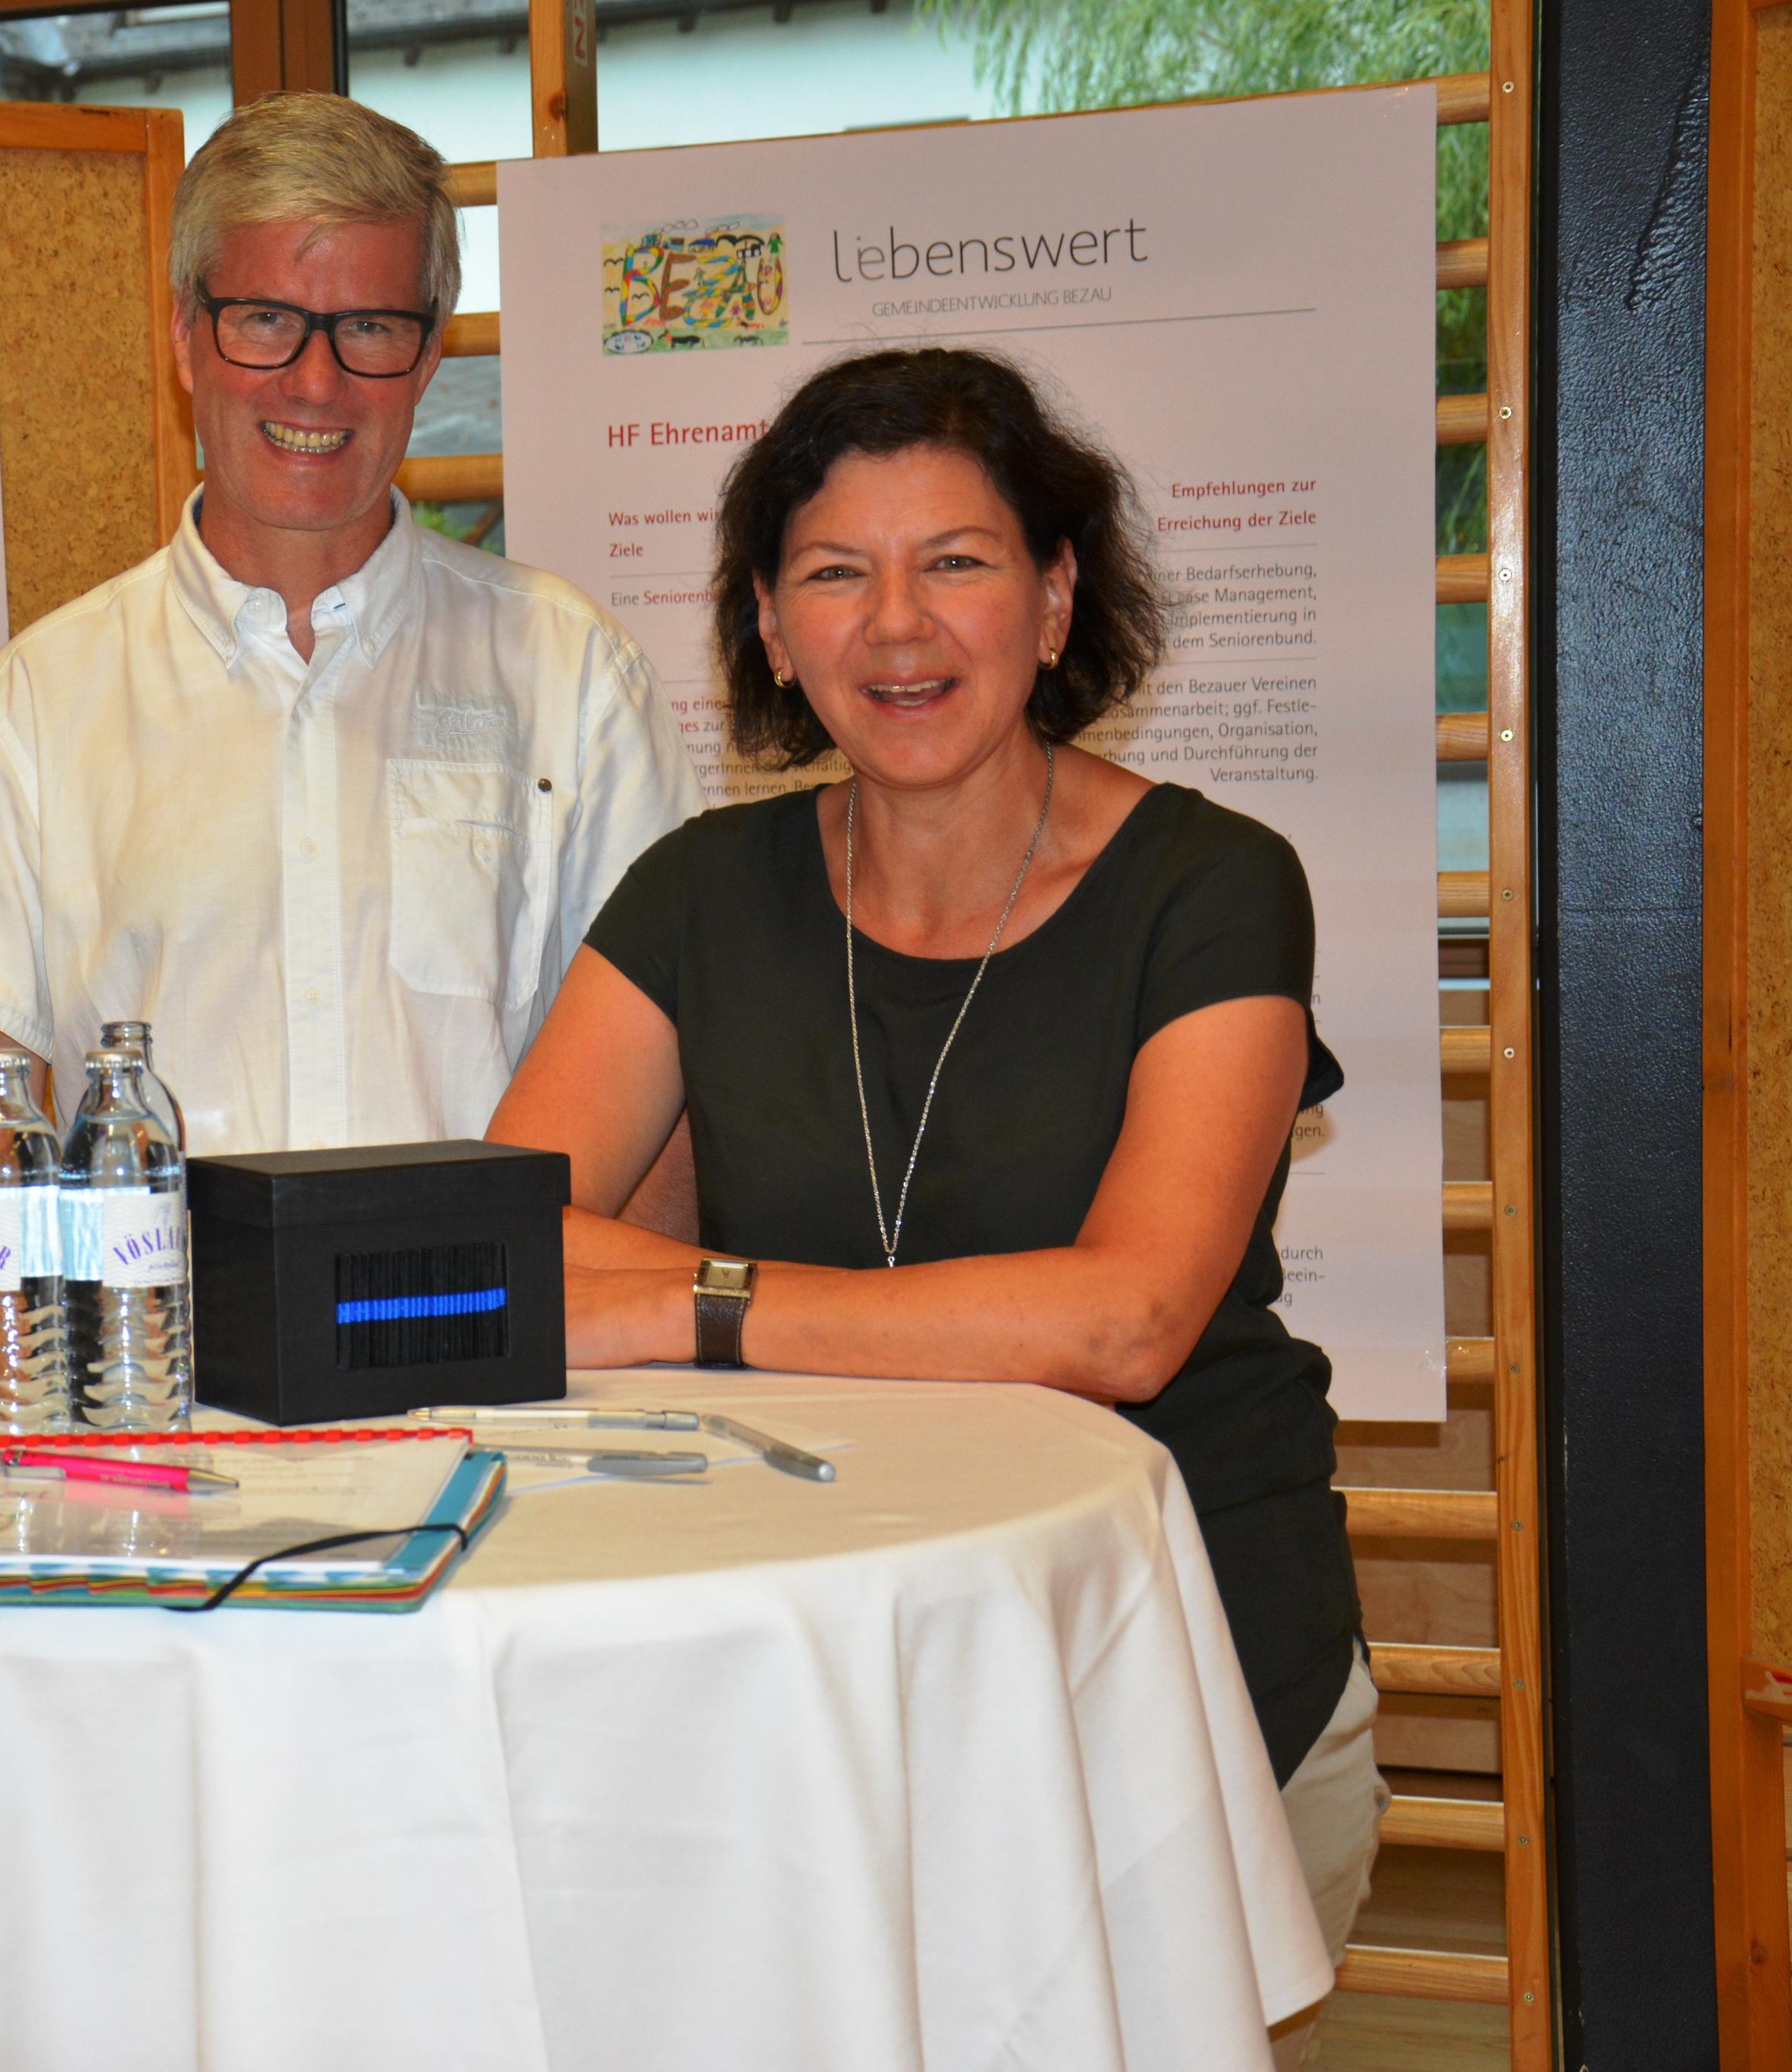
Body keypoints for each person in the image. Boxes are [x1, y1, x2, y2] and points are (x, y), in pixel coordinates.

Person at [485, 346, 1379, 2069]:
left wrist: (694, 1298)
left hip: (1170, 1651)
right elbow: (507, 1232)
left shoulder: (1209, 885)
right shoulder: (696, 892)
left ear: (1052, 598)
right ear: (768, 625)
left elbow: (1126, 1318)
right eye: (834, 571)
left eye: (954, 561)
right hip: (812, 1671)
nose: (895, 625)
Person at [0, 91, 704, 1294]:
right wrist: (74, 1343)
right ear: (185, 337)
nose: (316, 383)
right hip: (167, 1386)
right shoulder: (31, 714)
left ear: (429, 353)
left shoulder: (575, 677)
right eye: (266, 320)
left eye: (369, 326)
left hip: (502, 1374)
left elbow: (668, 1138)